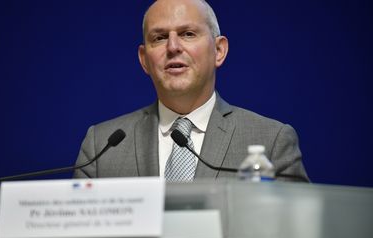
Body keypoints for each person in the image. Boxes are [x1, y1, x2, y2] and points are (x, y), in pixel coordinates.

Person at [74, 0, 308, 182]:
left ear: (219, 51)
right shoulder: (101, 146)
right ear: (144, 60)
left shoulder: (271, 141)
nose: (173, 47)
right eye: (160, 37)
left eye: (188, 34)